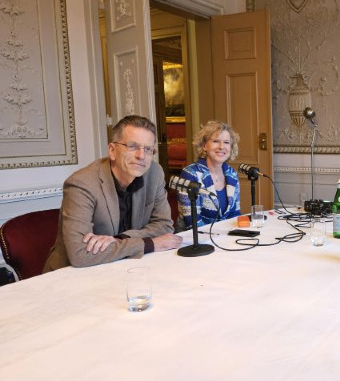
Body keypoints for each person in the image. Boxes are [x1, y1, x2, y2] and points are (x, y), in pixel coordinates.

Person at [44, 116, 182, 271]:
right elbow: (80, 253)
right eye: (132, 146)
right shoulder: (82, 183)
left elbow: (164, 226)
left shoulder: (154, 173)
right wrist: (149, 243)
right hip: (72, 276)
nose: (141, 156)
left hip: (124, 268)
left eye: (148, 149)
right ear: (112, 150)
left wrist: (119, 239)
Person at [176, 121, 241, 229]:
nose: (221, 147)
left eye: (226, 142)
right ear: (204, 146)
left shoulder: (232, 174)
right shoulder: (190, 174)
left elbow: (235, 214)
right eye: (216, 141)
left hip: (225, 238)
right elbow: (192, 221)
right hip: (195, 240)